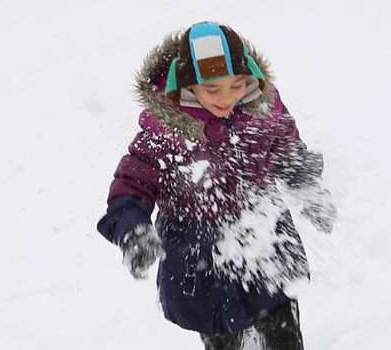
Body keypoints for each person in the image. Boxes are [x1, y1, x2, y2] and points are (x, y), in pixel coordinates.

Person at [97, 22, 336, 350]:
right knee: (224, 339)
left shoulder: (263, 107)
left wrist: (309, 189)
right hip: (201, 260)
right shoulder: (166, 133)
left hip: (266, 239)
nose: (227, 97)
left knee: (285, 340)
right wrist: (133, 230)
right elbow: (131, 185)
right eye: (212, 90)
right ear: (187, 85)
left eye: (237, 84)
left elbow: (287, 151)